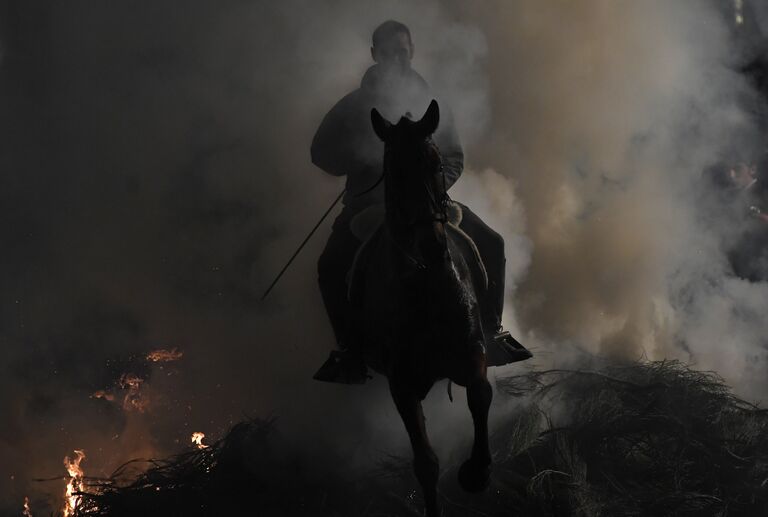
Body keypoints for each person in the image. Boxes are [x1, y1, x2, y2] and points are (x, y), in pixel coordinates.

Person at [311, 20, 511, 381]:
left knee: (493, 244)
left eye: (402, 52)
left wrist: (430, 185)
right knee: (330, 267)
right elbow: (320, 152)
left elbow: (454, 158)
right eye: (387, 53)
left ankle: (492, 333)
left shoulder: (430, 104)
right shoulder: (353, 106)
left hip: (430, 207)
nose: (396, 60)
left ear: (412, 52)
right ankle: (350, 352)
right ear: (374, 55)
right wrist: (355, 158)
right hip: (366, 209)